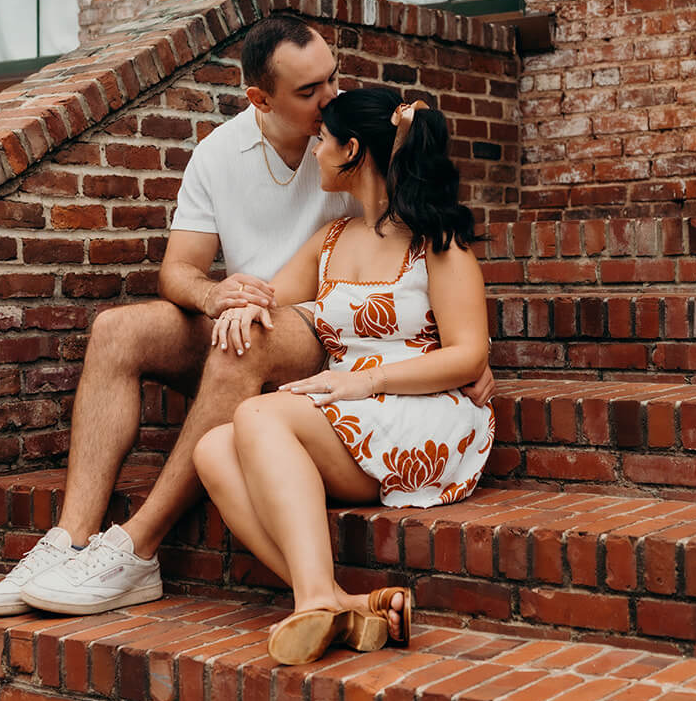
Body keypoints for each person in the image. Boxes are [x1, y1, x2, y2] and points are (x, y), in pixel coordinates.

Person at [0, 14, 354, 616]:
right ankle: (71, 539)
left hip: (319, 328)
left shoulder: (353, 138)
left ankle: (137, 549)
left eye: (332, 78)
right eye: (309, 91)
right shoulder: (219, 153)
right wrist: (214, 296)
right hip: (239, 319)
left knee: (242, 341)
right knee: (117, 330)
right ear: (260, 98)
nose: (330, 98)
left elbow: (420, 231)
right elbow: (178, 273)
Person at [192, 88, 493, 664]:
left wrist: (363, 382)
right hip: (350, 410)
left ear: (352, 149)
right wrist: (243, 306)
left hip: (422, 409)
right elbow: (270, 294)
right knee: (212, 449)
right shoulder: (329, 241)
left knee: (256, 412)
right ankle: (340, 602)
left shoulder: (436, 243)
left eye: (324, 140)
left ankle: (312, 600)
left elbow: (468, 355)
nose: (315, 151)